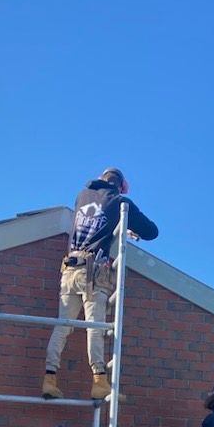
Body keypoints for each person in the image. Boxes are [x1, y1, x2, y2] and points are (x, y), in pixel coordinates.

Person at [42, 168, 158, 401]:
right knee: (96, 327)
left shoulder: (82, 196)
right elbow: (151, 232)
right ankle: (99, 381)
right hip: (94, 270)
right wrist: (128, 223)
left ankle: (49, 379)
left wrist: (121, 227)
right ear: (122, 186)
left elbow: (95, 222)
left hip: (69, 268)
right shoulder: (119, 201)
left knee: (62, 325)